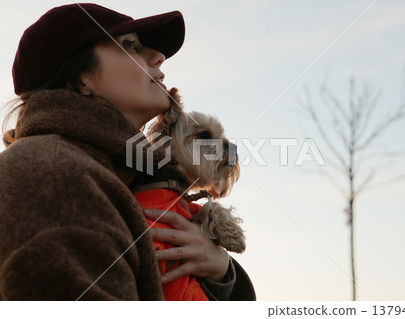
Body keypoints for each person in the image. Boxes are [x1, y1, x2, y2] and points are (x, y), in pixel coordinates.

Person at [0, 3, 255, 301]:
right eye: (130, 46)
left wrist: (222, 271)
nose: (159, 57)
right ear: (81, 77)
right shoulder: (51, 173)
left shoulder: (119, 174)